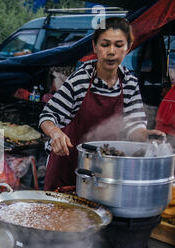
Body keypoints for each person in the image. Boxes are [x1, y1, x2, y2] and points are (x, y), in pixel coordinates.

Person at [39, 17, 165, 191]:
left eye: (119, 45)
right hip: (67, 167)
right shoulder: (82, 79)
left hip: (105, 172)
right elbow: (48, 116)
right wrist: (55, 133)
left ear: (128, 48)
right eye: (105, 44)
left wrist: (146, 135)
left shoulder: (128, 82)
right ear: (95, 47)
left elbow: (134, 126)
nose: (111, 51)